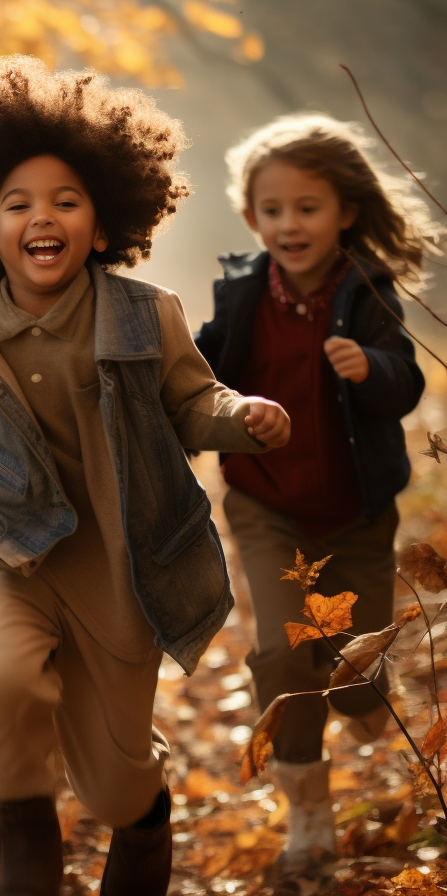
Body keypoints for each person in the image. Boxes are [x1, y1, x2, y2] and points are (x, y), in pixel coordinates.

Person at [0, 57, 291, 896]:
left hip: (118, 557)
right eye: (18, 204)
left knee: (115, 781)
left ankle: (143, 830)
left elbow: (194, 401)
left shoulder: (148, 315)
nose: (44, 217)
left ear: (103, 226)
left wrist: (241, 417)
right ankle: (25, 848)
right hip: (1, 542)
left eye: (66, 202)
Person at [195, 113, 438, 870]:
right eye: (273, 210)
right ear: (251, 216)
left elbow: (406, 380)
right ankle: (308, 811)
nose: (289, 224)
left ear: (346, 213)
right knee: (281, 651)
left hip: (356, 512)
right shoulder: (240, 295)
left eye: (307, 208)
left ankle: (366, 702)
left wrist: (373, 366)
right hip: (266, 502)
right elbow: (197, 371)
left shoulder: (367, 288)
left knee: (354, 669)